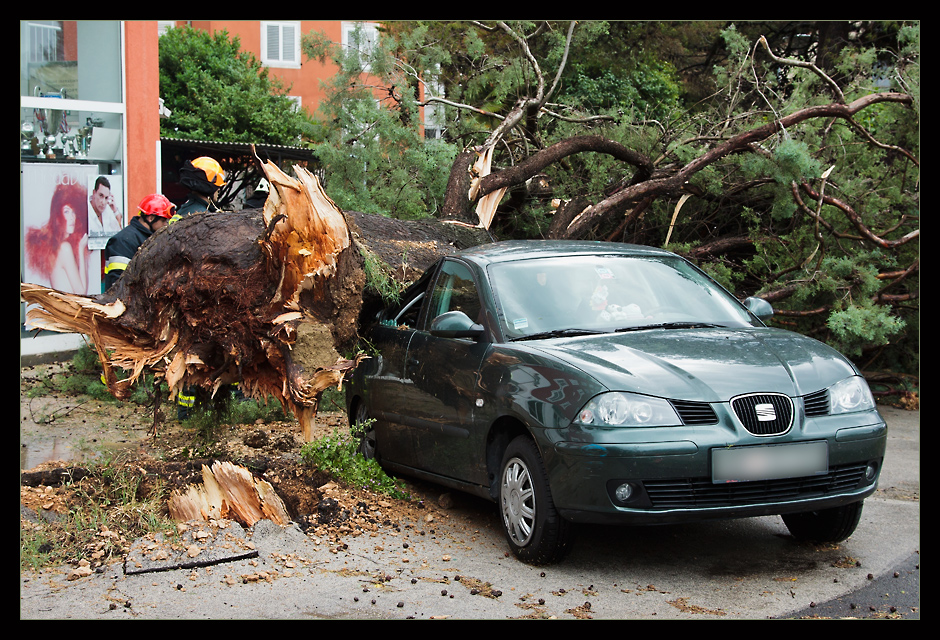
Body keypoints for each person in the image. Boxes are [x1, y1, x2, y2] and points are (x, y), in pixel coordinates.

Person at [25, 180, 90, 294]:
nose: (72, 217)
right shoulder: (64, 248)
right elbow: (81, 292)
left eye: (73, 212)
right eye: (66, 211)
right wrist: (81, 249)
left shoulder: (56, 247)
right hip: (68, 311)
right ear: (57, 216)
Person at [102, 194, 175, 290]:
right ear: (151, 218)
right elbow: (118, 284)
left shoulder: (152, 238)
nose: (166, 225)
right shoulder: (123, 241)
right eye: (163, 221)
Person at [172, 156, 226, 221]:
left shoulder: (182, 210)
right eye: (217, 187)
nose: (219, 189)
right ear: (209, 188)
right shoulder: (204, 217)